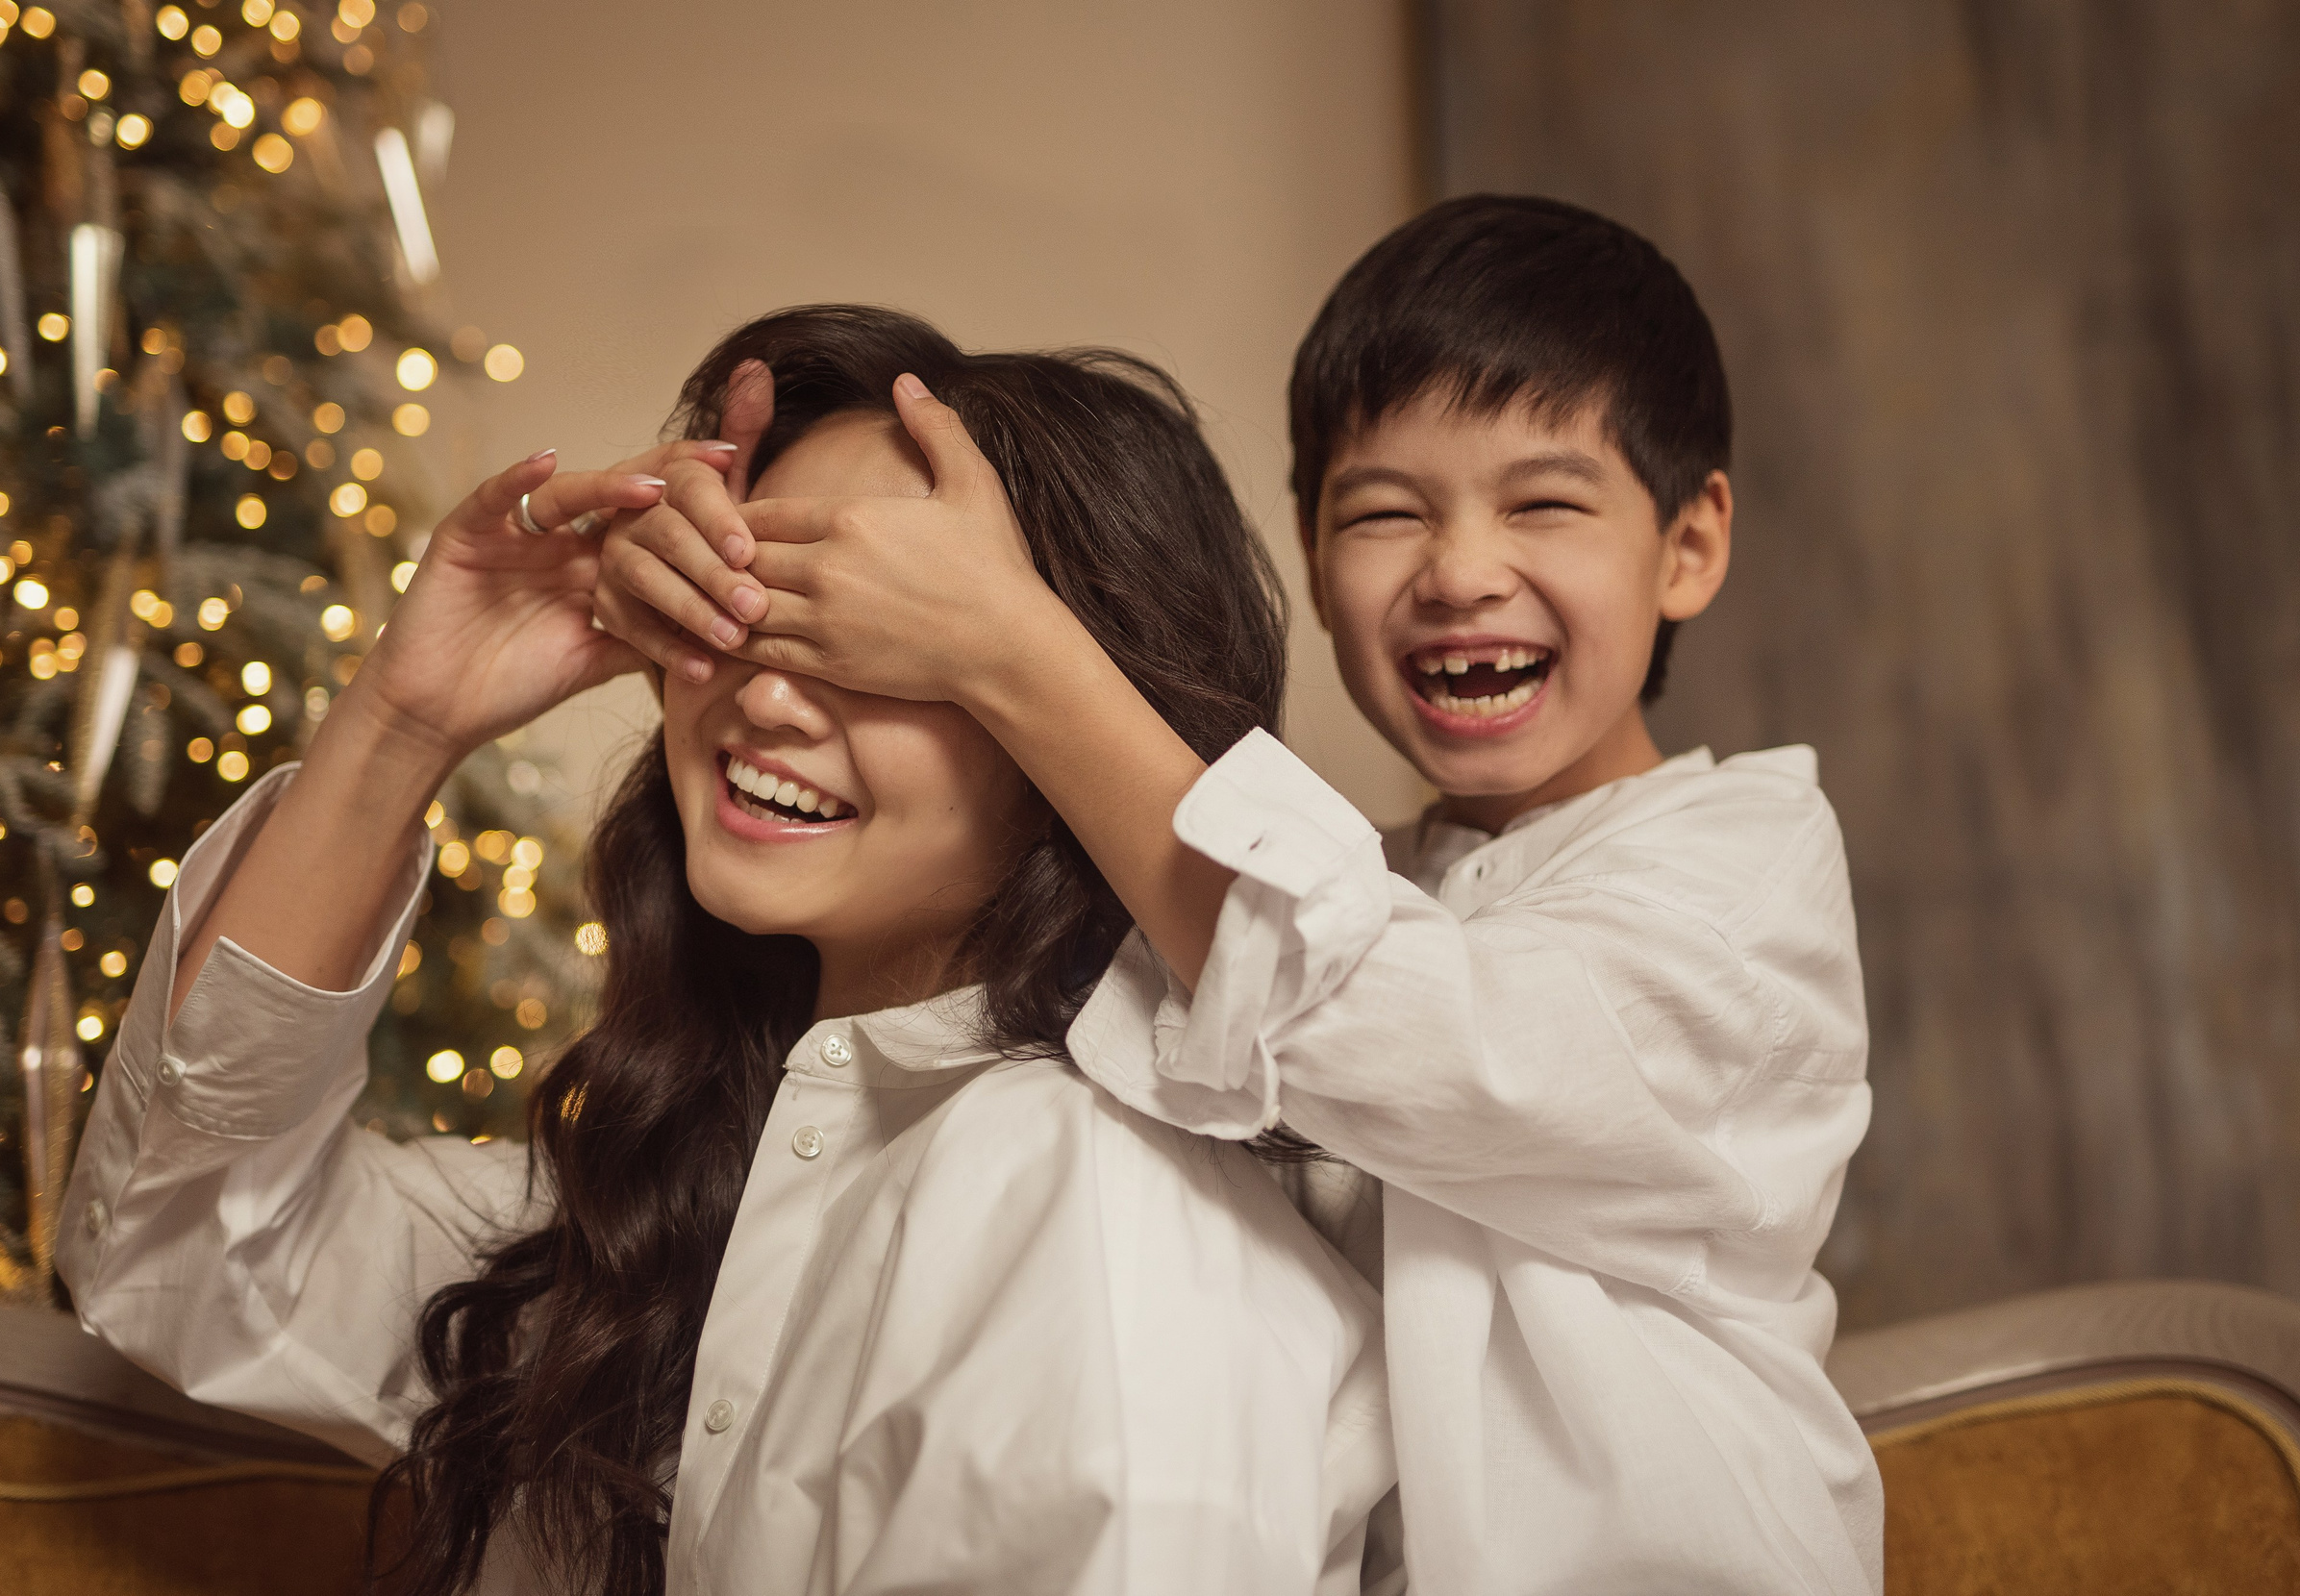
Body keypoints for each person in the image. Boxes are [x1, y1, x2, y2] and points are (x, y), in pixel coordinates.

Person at [606, 196, 1882, 1591]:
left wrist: (1008, 649)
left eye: (1545, 504)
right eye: (1386, 514)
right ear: (1316, 568)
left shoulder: (1741, 867)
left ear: (1689, 545)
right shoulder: (1355, 883)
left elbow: (1419, 1038)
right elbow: (1052, 993)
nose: (1459, 572)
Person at [58, 306, 1394, 1596]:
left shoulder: (1086, 1198)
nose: (765, 693)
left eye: (879, 641)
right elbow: (184, 1263)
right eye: (747, 601)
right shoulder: (691, 1179)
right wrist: (408, 715)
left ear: (1068, 714)